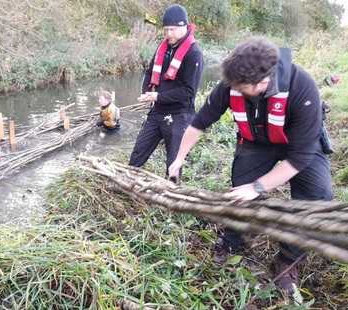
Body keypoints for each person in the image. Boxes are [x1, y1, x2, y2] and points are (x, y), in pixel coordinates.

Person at [168, 37, 333, 294]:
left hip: (298, 145)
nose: (233, 89)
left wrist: (258, 186)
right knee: (240, 192)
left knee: (316, 198)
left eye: (240, 86)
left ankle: (288, 261)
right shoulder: (232, 83)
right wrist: (178, 159)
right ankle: (235, 242)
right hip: (257, 141)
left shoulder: (303, 87)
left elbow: (299, 158)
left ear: (264, 82)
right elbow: (199, 123)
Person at [129, 4, 204, 181]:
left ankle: (171, 192)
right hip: (157, 110)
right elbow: (149, 72)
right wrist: (146, 92)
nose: (169, 34)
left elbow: (189, 91)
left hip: (179, 114)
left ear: (184, 26)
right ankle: (127, 180)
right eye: (166, 30)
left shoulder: (194, 54)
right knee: (139, 149)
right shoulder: (163, 47)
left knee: (173, 159)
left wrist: (159, 96)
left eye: (173, 29)